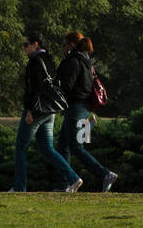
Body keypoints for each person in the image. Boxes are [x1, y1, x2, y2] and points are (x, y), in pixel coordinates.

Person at [10, 31, 82, 193]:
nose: (24, 48)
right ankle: (73, 177)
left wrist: (29, 110)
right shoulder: (49, 59)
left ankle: (19, 187)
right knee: (47, 148)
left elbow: (33, 88)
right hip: (50, 110)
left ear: (36, 44)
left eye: (26, 44)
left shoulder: (35, 62)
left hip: (36, 110)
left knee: (21, 148)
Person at [56, 32, 118, 193]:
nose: (63, 47)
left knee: (76, 147)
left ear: (70, 45)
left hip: (76, 107)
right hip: (84, 107)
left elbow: (67, 86)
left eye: (64, 44)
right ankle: (64, 184)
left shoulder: (74, 62)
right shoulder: (87, 61)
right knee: (63, 146)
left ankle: (105, 174)